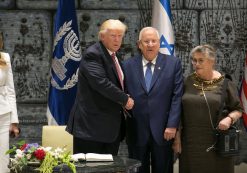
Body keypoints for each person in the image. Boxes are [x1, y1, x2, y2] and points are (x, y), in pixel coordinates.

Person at [66, 19, 134, 156]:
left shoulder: (113, 55)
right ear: (102, 36)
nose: (117, 40)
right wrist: (125, 99)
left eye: (120, 36)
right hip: (91, 129)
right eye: (113, 36)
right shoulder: (93, 54)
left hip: (108, 129)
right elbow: (101, 83)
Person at [123, 27, 183, 173]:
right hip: (136, 130)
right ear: (139, 44)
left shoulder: (173, 63)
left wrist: (172, 125)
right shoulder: (127, 65)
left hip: (164, 131)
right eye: (146, 41)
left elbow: (177, 96)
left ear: (159, 43)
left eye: (154, 41)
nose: (150, 44)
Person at [177, 44, 242, 173]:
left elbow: (238, 109)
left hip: (218, 142)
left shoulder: (225, 83)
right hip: (191, 143)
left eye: (201, 60)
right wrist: (177, 138)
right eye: (194, 60)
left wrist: (229, 119)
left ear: (212, 61)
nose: (196, 63)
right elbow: (178, 111)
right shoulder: (187, 82)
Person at [0, 32, 20, 172]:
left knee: (3, 160)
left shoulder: (4, 57)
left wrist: (14, 121)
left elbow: (11, 91)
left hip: (3, 115)